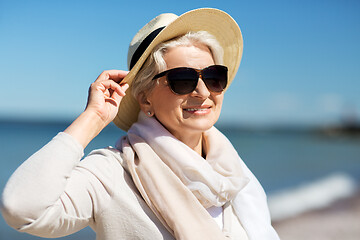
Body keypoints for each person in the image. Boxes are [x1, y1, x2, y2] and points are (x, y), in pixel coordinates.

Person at [1, 8, 280, 240]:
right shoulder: (113, 172)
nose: (203, 92)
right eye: (182, 79)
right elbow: (22, 207)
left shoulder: (235, 175)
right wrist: (93, 119)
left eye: (213, 77)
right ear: (145, 98)